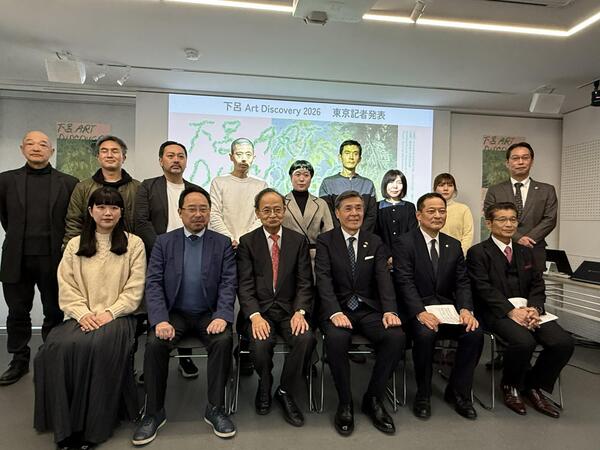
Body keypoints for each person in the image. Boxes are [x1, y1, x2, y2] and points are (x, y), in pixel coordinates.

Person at [34, 187, 146, 449]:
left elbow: (135, 289)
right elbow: (67, 286)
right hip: (80, 316)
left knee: (96, 346)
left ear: (121, 212)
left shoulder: (134, 244)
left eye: (114, 207)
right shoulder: (75, 244)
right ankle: (64, 425)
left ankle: (92, 427)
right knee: (55, 347)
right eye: (101, 207)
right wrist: (83, 313)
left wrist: (110, 313)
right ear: (90, 211)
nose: (107, 213)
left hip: (120, 317)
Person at [133, 186, 237, 444]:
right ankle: (153, 412)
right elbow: (153, 283)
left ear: (210, 212)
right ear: (180, 212)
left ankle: (216, 408)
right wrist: (160, 319)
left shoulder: (222, 243)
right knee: (155, 343)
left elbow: (228, 283)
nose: (198, 214)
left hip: (208, 314)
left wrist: (222, 315)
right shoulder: (163, 242)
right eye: (192, 209)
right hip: (174, 314)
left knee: (224, 340)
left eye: (203, 209)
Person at [467, 202, 574, 418]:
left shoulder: (526, 251)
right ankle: (511, 385)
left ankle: (533, 385)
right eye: (502, 219)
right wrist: (511, 311)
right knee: (524, 341)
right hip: (497, 312)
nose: (509, 224)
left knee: (563, 342)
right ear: (489, 223)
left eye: (513, 219)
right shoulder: (477, 252)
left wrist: (534, 308)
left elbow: (537, 284)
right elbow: (482, 288)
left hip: (529, 310)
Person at [315, 190, 404, 436]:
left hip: (367, 309)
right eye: (348, 208)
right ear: (337, 213)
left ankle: (373, 398)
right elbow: (323, 279)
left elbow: (383, 279)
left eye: (358, 208)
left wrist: (390, 310)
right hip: (338, 308)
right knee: (336, 339)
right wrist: (334, 312)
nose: (354, 213)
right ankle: (345, 403)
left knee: (396, 336)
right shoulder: (325, 241)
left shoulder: (374, 241)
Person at [392, 192, 483, 420]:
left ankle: (458, 391)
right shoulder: (404, 242)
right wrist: (420, 312)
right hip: (417, 310)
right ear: (418, 215)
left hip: (447, 309)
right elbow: (404, 281)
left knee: (474, 333)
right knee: (425, 335)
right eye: (431, 211)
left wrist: (466, 309)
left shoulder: (453, 245)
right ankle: (423, 393)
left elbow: (462, 282)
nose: (437, 215)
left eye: (442, 211)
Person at [0, 131, 78, 386]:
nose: (36, 148)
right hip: (16, 257)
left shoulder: (69, 182)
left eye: (43, 144)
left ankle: (51, 357)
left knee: (54, 311)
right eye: (30, 144)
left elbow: (72, 220)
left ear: (51, 151)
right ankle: (19, 360)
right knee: (17, 312)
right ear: (22, 148)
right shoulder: (5, 181)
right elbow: (5, 218)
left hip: (54, 257)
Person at [237, 188, 316, 427]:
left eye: (277, 209)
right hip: (260, 311)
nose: (272, 215)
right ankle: (265, 382)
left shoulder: (297, 241)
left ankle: (285, 390)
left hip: (290, 310)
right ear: (257, 213)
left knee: (306, 339)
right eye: (266, 210)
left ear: (284, 210)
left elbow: (305, 282)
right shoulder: (247, 242)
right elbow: (244, 285)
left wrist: (300, 312)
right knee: (260, 344)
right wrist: (254, 316)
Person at [134, 140, 202, 379]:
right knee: (157, 307)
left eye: (181, 156)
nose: (176, 160)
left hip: (191, 255)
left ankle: (185, 358)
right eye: (170, 155)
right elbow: (141, 221)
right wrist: (162, 250)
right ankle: (152, 364)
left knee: (186, 306)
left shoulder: (194, 189)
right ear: (161, 160)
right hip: (158, 256)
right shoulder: (148, 186)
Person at [484, 142, 558, 271]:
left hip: (533, 248)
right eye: (515, 158)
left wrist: (528, 239)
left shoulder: (547, 190)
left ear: (532, 161)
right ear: (507, 163)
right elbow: (490, 217)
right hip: (500, 248)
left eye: (525, 158)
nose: (520, 162)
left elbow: (550, 219)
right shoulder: (494, 190)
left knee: (534, 284)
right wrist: (518, 238)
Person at [64, 135, 140, 245]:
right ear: (98, 157)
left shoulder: (138, 188)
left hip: (129, 248)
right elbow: (73, 222)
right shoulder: (82, 187)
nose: (109, 155)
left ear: (123, 158)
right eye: (104, 151)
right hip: (90, 248)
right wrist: (74, 249)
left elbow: (143, 223)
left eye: (115, 151)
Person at [209, 137, 268, 249]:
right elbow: (214, 214)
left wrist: (245, 240)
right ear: (231, 157)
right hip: (223, 244)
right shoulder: (219, 182)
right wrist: (230, 239)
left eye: (248, 154)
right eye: (239, 154)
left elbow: (262, 216)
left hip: (252, 244)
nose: (244, 159)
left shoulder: (261, 185)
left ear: (253, 157)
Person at [319, 140, 377, 232]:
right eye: (347, 153)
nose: (351, 157)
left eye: (355, 154)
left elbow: (371, 215)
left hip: (362, 236)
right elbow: (327, 214)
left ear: (359, 159)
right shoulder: (328, 183)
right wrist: (342, 234)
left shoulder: (368, 184)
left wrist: (358, 234)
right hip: (335, 236)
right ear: (340, 157)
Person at [282, 160, 334, 261]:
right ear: (291, 177)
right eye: (297, 174)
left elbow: (329, 233)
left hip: (315, 256)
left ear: (311, 178)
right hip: (288, 255)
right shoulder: (282, 202)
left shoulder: (321, 203)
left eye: (306, 175)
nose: (302, 179)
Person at [375, 169, 417, 255]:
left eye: (399, 183)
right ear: (385, 184)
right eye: (391, 182)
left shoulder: (409, 207)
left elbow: (412, 233)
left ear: (404, 186)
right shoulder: (377, 206)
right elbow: (375, 234)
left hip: (405, 254)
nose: (395, 186)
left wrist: (401, 254)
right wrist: (387, 255)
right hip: (381, 255)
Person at [433, 173, 474, 255]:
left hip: (457, 255)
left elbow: (468, 235)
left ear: (454, 189)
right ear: (435, 189)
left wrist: (459, 254)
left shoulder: (463, 209)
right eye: (441, 185)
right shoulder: (428, 209)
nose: (446, 189)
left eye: (450, 185)